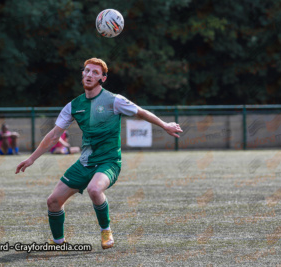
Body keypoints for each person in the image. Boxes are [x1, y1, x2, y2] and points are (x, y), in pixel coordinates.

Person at [15, 58, 183, 249]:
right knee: (53, 201)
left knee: (94, 189)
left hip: (109, 162)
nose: (89, 75)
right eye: (87, 71)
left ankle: (106, 230)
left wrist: (165, 125)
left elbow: (140, 112)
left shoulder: (114, 100)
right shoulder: (73, 106)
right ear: (82, 74)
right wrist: (31, 159)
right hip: (85, 162)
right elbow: (54, 136)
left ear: (103, 78)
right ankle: (58, 241)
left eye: (95, 73)